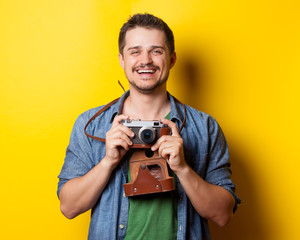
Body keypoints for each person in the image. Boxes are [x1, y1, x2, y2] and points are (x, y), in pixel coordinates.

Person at [57, 13, 240, 240]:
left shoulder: (205, 127)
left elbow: (222, 215)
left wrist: (182, 168)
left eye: (156, 51)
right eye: (135, 51)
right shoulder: (91, 125)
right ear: (122, 60)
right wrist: (108, 162)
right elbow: (69, 207)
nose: (145, 60)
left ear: (172, 60)